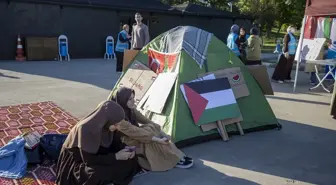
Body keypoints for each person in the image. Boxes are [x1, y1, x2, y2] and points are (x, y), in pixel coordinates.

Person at [56, 101, 140, 185]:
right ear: (106, 119)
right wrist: (116, 157)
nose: (118, 127)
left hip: (99, 154)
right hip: (79, 161)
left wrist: (126, 149)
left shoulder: (109, 125)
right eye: (115, 124)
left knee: (131, 161)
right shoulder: (85, 129)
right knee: (97, 173)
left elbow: (116, 143)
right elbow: (88, 161)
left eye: (119, 124)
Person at [111, 87, 194, 171]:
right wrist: (155, 138)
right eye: (129, 99)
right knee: (149, 138)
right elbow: (133, 131)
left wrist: (157, 128)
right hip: (123, 142)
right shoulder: (117, 116)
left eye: (133, 98)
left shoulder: (129, 108)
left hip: (133, 135)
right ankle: (172, 160)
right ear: (122, 100)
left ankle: (175, 156)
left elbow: (143, 119)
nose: (133, 101)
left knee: (151, 128)